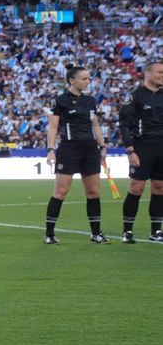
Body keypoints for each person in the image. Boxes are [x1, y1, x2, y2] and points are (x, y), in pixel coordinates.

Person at [45, 65, 109, 245]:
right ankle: (49, 234)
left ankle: (96, 234)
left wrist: (102, 146)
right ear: (72, 80)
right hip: (69, 150)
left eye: (89, 78)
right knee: (60, 192)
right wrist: (51, 150)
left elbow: (95, 125)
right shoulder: (60, 101)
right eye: (84, 79)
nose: (88, 82)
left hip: (90, 150)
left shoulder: (90, 100)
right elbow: (53, 127)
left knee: (93, 192)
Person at [118, 57, 163, 243]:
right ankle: (127, 231)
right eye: (159, 72)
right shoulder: (135, 96)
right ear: (148, 73)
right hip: (142, 147)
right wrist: (130, 149)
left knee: (160, 188)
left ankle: (156, 231)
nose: (162, 76)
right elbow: (124, 124)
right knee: (136, 188)